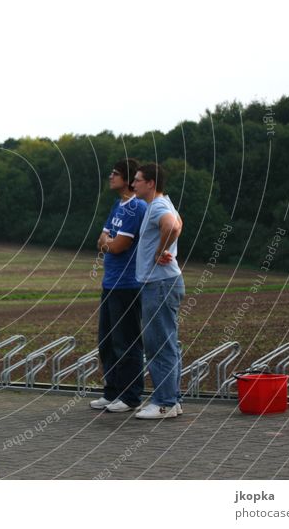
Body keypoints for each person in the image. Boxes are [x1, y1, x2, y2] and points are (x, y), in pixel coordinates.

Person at [89, 159, 147, 413]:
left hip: (127, 285)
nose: (110, 177)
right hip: (110, 282)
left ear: (126, 178)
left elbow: (117, 246)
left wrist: (108, 242)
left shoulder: (137, 207)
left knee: (127, 342)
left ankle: (131, 395)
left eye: (115, 174)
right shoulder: (118, 204)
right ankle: (112, 391)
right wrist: (108, 242)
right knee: (107, 341)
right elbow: (101, 240)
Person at [131, 163, 185, 419]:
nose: (134, 185)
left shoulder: (159, 206)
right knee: (167, 342)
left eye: (138, 180)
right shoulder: (163, 203)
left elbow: (173, 226)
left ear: (151, 183)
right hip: (163, 284)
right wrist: (166, 247)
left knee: (158, 344)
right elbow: (179, 222)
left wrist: (159, 250)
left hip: (160, 285)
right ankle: (172, 400)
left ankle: (164, 402)